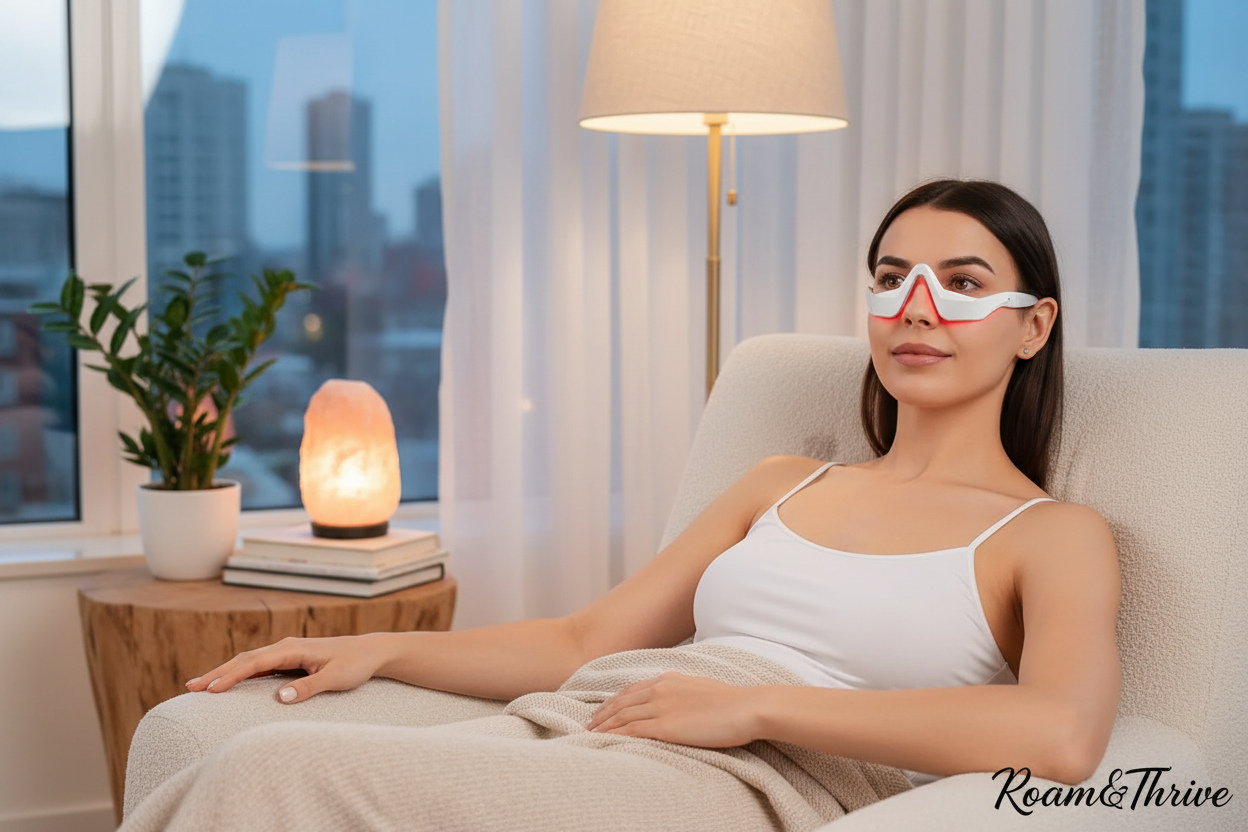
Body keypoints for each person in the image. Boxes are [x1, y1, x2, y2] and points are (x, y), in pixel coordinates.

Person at [176, 179, 1119, 825]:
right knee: (239, 763)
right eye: (890, 279)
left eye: (962, 284)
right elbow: (587, 643)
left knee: (273, 770)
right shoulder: (780, 482)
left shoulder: (1051, 536)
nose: (916, 307)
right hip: (606, 723)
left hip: (758, 781)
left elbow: (1063, 735)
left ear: (1033, 326)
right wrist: (380, 646)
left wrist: (759, 710)